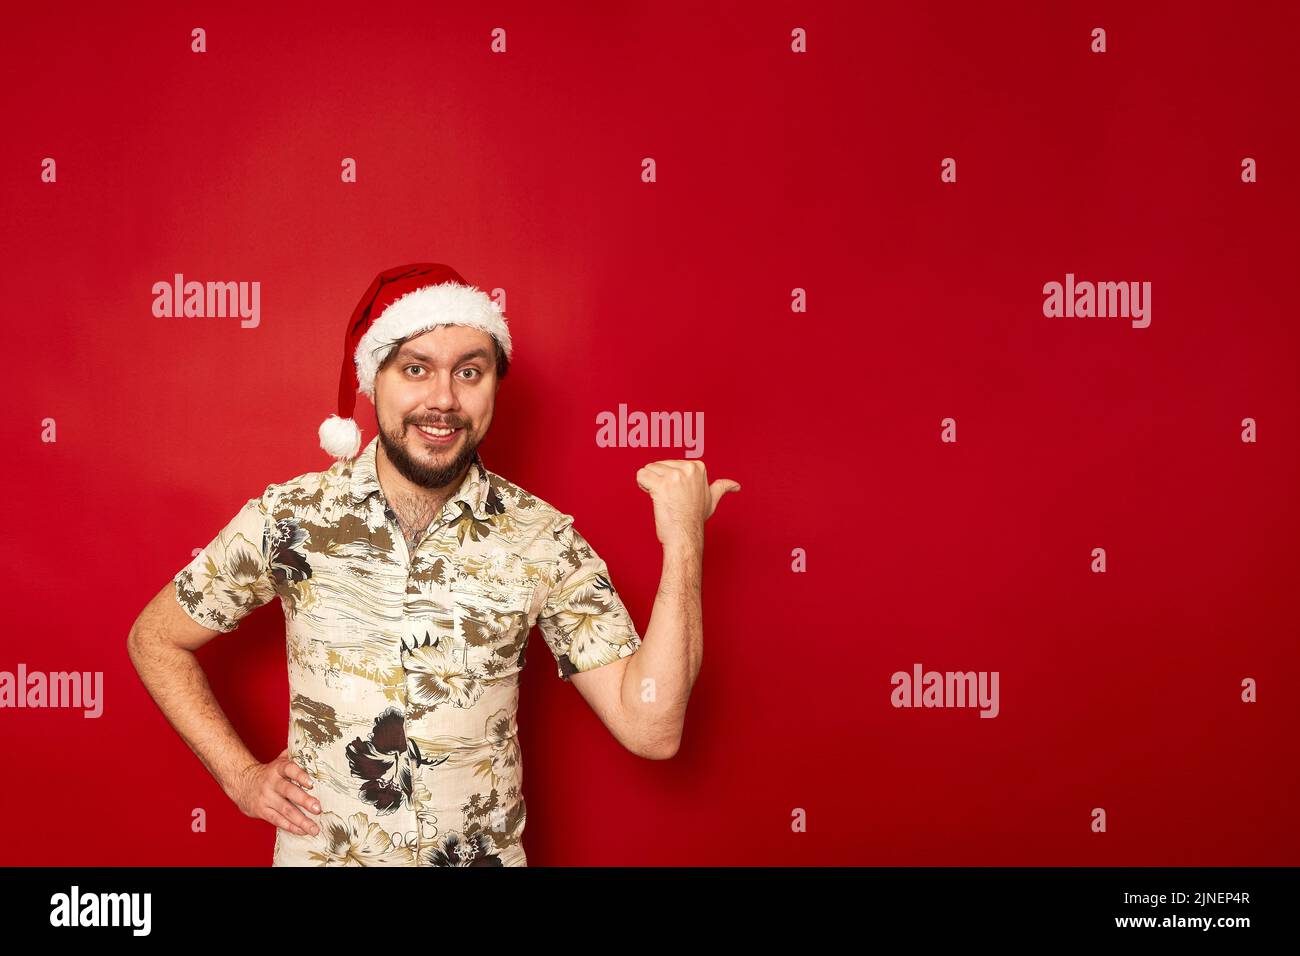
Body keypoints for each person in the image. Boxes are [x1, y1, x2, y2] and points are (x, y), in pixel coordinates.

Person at [127, 263, 740, 866]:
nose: (443, 399)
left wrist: (685, 544)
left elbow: (651, 728)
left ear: (494, 384)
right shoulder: (290, 519)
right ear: (374, 382)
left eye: (469, 372)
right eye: (416, 369)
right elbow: (155, 639)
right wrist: (240, 777)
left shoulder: (543, 539)